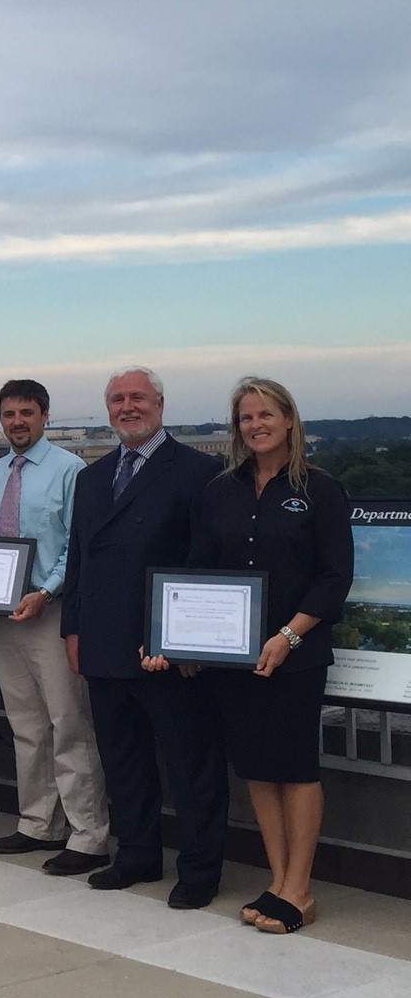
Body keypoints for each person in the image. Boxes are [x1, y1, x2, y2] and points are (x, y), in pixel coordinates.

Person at [177, 377, 352, 933]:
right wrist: (184, 639)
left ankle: (300, 889)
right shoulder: (220, 491)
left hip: (295, 654)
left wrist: (289, 636)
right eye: (246, 418)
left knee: (295, 768)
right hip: (235, 657)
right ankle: (277, 880)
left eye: (265, 415)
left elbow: (333, 578)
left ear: (289, 420)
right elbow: (200, 568)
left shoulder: (320, 489)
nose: (255, 425)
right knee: (256, 767)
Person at [63, 366, 225, 908]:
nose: (126, 406)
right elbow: (79, 561)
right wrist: (73, 629)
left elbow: (204, 563)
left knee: (188, 761)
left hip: (166, 650)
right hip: (105, 642)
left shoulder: (201, 471)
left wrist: (182, 642)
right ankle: (136, 853)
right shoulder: (93, 477)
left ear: (160, 404)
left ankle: (200, 867)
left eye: (137, 397)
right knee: (123, 758)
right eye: (116, 399)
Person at [0, 381, 111, 875]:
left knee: (69, 725)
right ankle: (38, 824)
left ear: (45, 416)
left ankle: (87, 834)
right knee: (26, 726)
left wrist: (46, 592)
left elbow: (75, 547)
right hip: (5, 615)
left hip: (50, 612)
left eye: (27, 413)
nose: (18, 422)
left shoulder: (69, 470)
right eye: (9, 414)